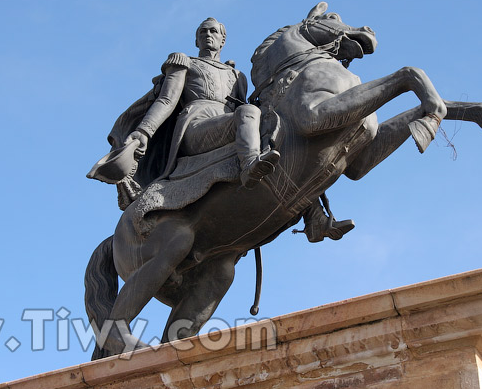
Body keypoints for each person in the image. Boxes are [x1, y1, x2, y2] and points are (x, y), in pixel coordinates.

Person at [97, 17, 352, 242]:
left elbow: (249, 106)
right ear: (197, 40)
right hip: (195, 127)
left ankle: (315, 218)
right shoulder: (184, 62)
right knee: (249, 113)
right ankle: (251, 165)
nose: (208, 35)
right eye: (203, 32)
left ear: (222, 40)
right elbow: (166, 100)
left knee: (284, 133)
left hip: (229, 125)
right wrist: (144, 131)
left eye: (213, 32)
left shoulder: (236, 75)